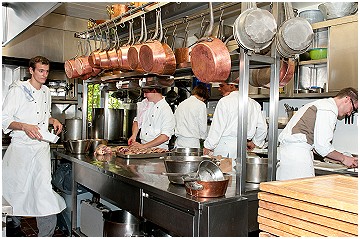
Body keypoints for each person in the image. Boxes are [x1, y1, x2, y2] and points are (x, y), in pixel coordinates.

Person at [2, 56, 66, 237]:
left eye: (47, 71)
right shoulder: (18, 91)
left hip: (41, 150)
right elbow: (4, 119)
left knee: (43, 192)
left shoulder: (46, 91)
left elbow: (39, 117)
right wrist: (24, 126)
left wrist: (52, 119)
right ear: (31, 70)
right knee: (14, 190)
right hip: (21, 149)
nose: (44, 75)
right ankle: (12, 228)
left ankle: (45, 235)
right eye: (40, 71)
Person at [276, 87, 358, 181]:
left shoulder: (322, 104)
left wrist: (341, 157)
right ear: (347, 99)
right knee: (301, 192)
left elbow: (317, 147)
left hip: (288, 157)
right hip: (297, 160)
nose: (349, 113)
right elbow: (322, 147)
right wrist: (344, 159)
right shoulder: (328, 109)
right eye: (353, 108)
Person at [203, 79, 268, 168]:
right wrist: (256, 142)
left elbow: (217, 128)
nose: (219, 89)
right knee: (240, 177)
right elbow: (263, 128)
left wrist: (208, 146)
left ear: (232, 86)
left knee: (225, 177)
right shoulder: (254, 103)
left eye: (222, 86)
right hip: (242, 150)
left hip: (225, 150)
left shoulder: (225, 101)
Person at [174, 84, 210, 148]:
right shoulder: (201, 105)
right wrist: (204, 138)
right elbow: (202, 125)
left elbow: (174, 121)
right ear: (203, 97)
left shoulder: (181, 104)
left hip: (178, 141)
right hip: (192, 143)